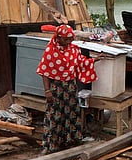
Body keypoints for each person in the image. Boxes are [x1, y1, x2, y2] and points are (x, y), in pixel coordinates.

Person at [36, 25, 101, 153]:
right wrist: (47, 91)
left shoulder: (73, 49)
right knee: (55, 115)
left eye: (70, 39)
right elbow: (45, 71)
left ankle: (70, 140)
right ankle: (51, 145)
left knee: (71, 114)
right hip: (56, 87)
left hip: (70, 86)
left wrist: (94, 59)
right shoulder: (50, 51)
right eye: (66, 39)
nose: (69, 42)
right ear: (58, 38)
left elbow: (80, 62)